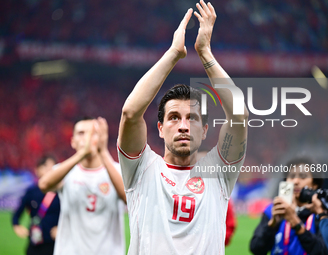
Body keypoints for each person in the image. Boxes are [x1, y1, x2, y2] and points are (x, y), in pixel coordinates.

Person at [118, 1, 248, 254]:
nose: (184, 126)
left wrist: (205, 53)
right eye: (174, 117)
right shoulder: (141, 168)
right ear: (159, 127)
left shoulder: (218, 173)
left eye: (193, 119)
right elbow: (130, 113)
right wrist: (173, 54)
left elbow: (239, 116)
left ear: (205, 130)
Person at [38, 117, 126, 255]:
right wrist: (81, 154)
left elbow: (128, 198)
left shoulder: (118, 171)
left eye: (93, 132)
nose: (87, 137)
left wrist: (103, 152)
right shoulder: (64, 171)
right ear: (73, 142)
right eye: (81, 133)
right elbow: (43, 185)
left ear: (102, 138)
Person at [250, 158, 328, 255]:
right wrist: (271, 226)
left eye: (303, 177)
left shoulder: (323, 214)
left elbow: (323, 252)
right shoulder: (273, 210)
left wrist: (295, 221)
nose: (295, 181)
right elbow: (256, 249)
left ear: (315, 184)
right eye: (291, 177)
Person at [12, 155, 60, 255]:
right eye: (46, 167)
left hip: (56, 243)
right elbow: (17, 213)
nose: (49, 170)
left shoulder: (61, 191)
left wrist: (62, 229)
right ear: (37, 169)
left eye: (53, 167)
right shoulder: (31, 191)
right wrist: (16, 225)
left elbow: (73, 215)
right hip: (35, 243)